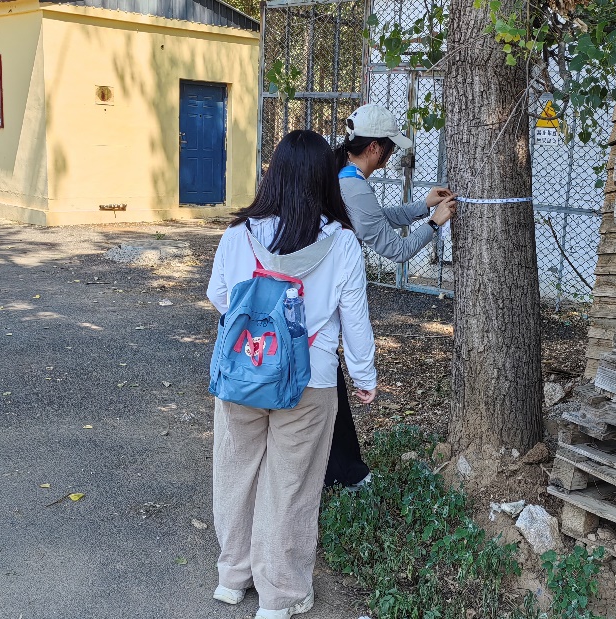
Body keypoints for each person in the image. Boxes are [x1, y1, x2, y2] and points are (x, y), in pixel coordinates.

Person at [206, 130, 377, 619]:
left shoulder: (238, 234)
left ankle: (232, 577)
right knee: (292, 485)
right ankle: (280, 595)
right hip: (310, 379)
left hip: (243, 372)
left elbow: (220, 296)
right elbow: (355, 320)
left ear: (274, 173)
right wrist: (363, 377)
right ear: (327, 179)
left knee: (235, 472)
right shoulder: (341, 243)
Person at [324, 103, 457, 490]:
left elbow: (376, 217)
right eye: (392, 147)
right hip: (330, 293)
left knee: (328, 387)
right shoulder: (352, 184)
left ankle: (342, 471)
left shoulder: (343, 174)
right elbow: (393, 249)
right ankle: (347, 474)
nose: (394, 154)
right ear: (376, 149)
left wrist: (422, 206)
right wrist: (434, 224)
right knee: (328, 384)